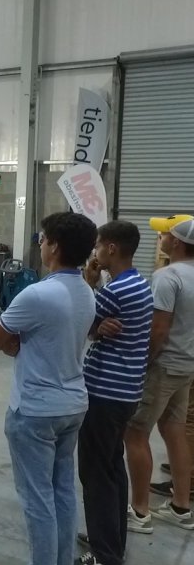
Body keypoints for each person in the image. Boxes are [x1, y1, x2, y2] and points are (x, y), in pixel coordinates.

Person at [0, 212, 98, 565]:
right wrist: (20, 343)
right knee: (63, 488)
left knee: (36, 496)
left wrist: (15, 343)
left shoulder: (38, 294)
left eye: (44, 238)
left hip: (35, 408)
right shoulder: (86, 291)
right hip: (72, 403)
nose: (41, 244)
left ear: (55, 246)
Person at [73, 220, 153, 565]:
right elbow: (96, 319)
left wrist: (89, 291)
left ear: (112, 249)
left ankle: (106, 557)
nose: (95, 252)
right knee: (111, 468)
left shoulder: (114, 292)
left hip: (105, 393)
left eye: (99, 246)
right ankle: (111, 540)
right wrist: (98, 323)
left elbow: (78, 321)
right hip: (126, 392)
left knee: (96, 473)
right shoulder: (136, 283)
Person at [124, 214, 194, 532]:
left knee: (136, 433)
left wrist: (144, 362)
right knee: (174, 431)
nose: (160, 239)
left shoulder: (168, 277)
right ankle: (181, 506)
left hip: (164, 366)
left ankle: (140, 512)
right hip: (186, 366)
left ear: (176, 242)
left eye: (164, 234)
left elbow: (159, 329)